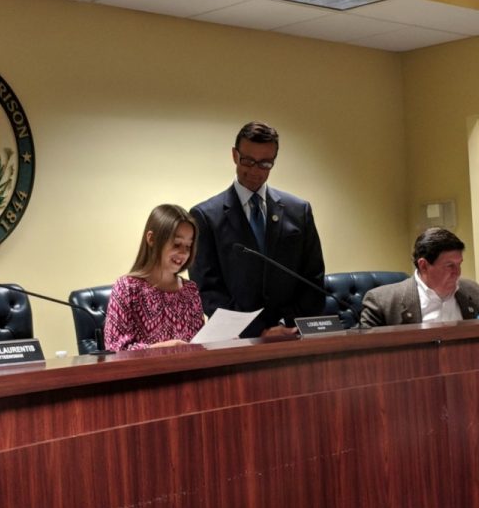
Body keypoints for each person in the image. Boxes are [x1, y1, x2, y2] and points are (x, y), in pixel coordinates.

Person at [189, 121, 325, 338]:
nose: (255, 170)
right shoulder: (205, 216)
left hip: (292, 336)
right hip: (238, 340)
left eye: (264, 164)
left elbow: (313, 278)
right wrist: (258, 331)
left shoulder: (299, 211)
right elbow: (207, 290)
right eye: (248, 161)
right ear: (235, 155)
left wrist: (286, 325)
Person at [104, 204, 205, 351]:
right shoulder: (127, 287)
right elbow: (115, 349)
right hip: (145, 374)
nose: (183, 253)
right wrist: (161, 349)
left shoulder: (190, 290)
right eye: (177, 244)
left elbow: (197, 344)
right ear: (151, 239)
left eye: (188, 246)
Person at [359, 227, 479, 327]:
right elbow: (365, 355)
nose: (457, 272)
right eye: (449, 266)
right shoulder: (382, 303)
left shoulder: (473, 292)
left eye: (459, 264)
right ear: (423, 265)